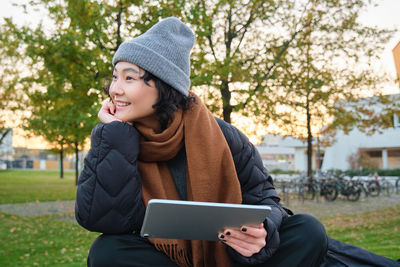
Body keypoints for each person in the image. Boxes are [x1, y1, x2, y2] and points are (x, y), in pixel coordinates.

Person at [75, 17, 328, 267]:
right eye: (115, 77)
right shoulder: (114, 138)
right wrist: (118, 136)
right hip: (162, 258)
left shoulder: (224, 136)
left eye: (129, 78)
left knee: (307, 230)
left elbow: (265, 199)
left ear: (164, 85)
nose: (115, 89)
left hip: (229, 253)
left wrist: (263, 230)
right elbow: (101, 220)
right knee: (107, 251)